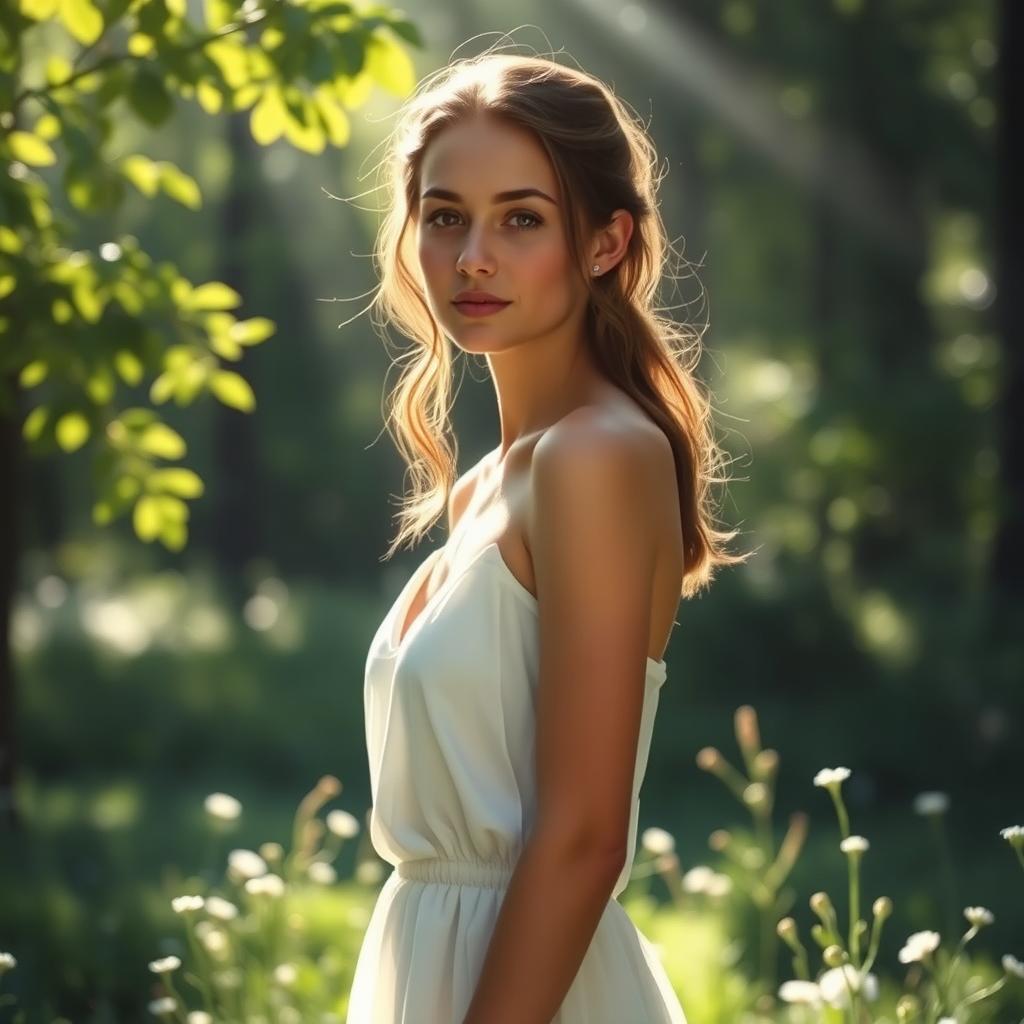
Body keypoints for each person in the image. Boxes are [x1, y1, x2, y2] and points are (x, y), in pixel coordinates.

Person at [346, 45, 750, 1024]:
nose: (472, 256)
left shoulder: (597, 457)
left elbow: (581, 838)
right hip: (426, 963)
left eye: (520, 218)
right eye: (446, 218)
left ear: (604, 243)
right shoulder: (485, 485)